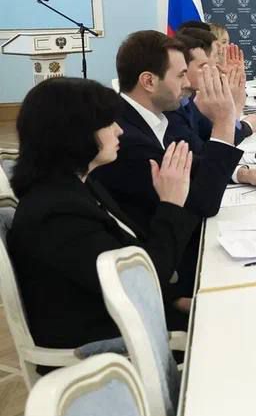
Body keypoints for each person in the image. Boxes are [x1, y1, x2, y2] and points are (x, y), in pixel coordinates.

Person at [8, 78, 200, 350]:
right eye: (108, 123)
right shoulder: (56, 214)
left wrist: (175, 299)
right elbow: (140, 281)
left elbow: (132, 254)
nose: (119, 130)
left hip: (132, 316)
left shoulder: (81, 185)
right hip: (113, 344)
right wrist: (171, 203)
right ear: (75, 133)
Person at [91, 31, 256, 295]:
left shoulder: (153, 117)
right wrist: (224, 120)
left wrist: (240, 173)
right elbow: (204, 202)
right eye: (181, 75)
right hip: (171, 269)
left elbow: (190, 162)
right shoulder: (127, 139)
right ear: (148, 81)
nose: (189, 84)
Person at [165, 30, 256, 152]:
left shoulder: (189, 100)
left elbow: (213, 136)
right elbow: (208, 155)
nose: (212, 68)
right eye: (203, 66)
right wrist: (235, 107)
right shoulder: (173, 109)